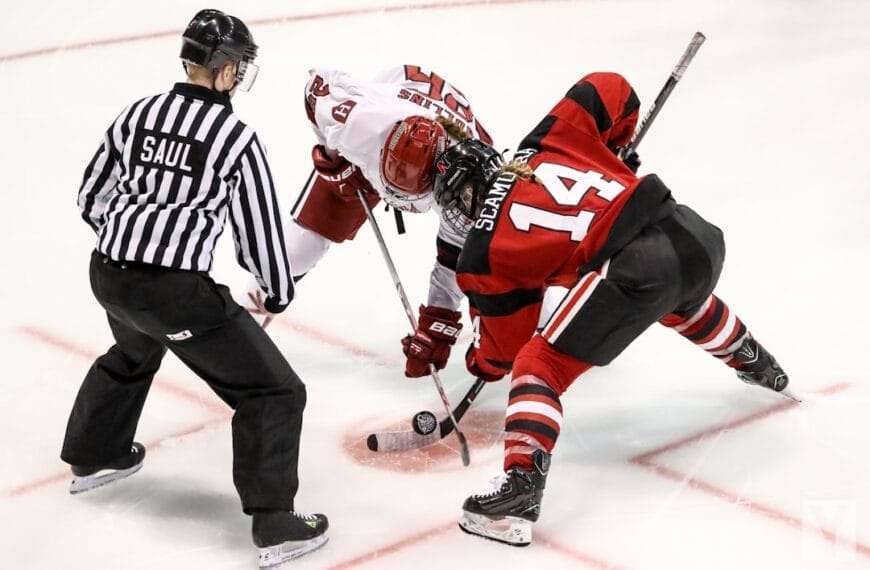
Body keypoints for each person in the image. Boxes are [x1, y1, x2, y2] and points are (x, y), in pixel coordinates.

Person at [409, 71, 790, 546]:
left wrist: (478, 361)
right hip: (694, 236)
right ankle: (756, 361)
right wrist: (613, 152)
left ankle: (519, 492)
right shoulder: (543, 140)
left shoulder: (481, 252)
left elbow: (506, 349)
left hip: (636, 267)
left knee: (538, 365)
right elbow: (608, 87)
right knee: (675, 298)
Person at [63, 9, 327, 566]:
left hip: (108, 274)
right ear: (227, 69)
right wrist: (278, 291)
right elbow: (258, 234)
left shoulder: (138, 114)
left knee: (135, 346)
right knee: (274, 391)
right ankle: (276, 523)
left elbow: (91, 196)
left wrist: (129, 244)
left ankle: (96, 453)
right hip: (174, 291)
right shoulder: (234, 138)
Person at [253, 65, 492, 376]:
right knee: (296, 252)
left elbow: (452, 258)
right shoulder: (361, 122)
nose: (393, 196)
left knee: (488, 263)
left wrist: (438, 322)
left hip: (433, 160)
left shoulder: (462, 183)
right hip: (368, 153)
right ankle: (241, 322)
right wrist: (334, 157)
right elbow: (318, 85)